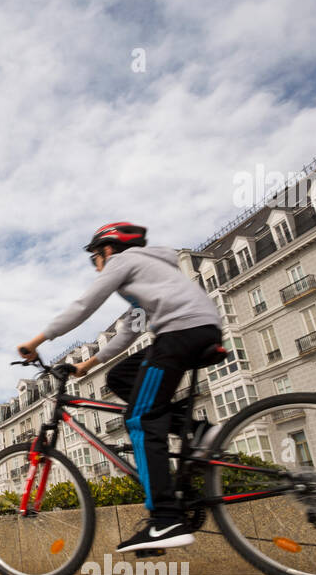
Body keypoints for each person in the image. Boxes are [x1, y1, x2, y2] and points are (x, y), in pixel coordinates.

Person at [18, 222, 223, 553]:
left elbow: (84, 305)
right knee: (120, 378)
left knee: (139, 420)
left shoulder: (123, 262)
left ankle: (165, 519)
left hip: (180, 334)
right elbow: (129, 330)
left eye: (94, 259)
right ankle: (198, 431)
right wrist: (89, 364)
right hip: (198, 331)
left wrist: (37, 340)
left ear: (108, 250)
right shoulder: (148, 278)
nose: (97, 267)